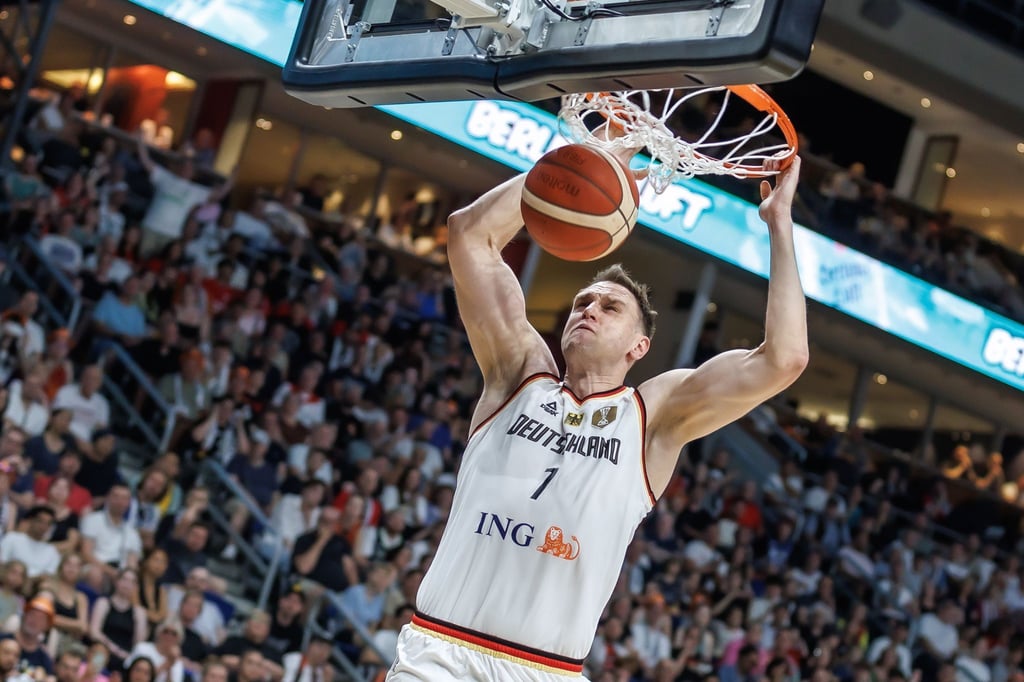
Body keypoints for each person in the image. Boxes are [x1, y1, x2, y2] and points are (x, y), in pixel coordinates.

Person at [386, 152, 807, 681]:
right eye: (583, 301)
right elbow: (469, 235)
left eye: (610, 308)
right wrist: (584, 164)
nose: (588, 309)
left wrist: (780, 225)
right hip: (441, 654)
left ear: (640, 345)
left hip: (548, 671)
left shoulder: (653, 415)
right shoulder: (519, 373)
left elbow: (783, 359)